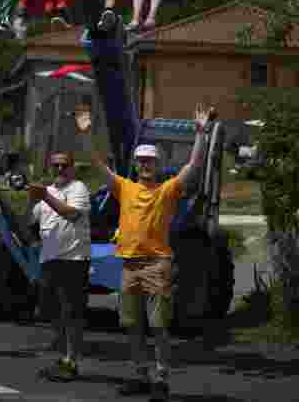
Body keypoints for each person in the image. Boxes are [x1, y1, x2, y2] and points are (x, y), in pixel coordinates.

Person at [80, 104, 214, 402]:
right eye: (141, 161)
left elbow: (193, 166)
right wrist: (87, 134)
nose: (144, 165)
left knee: (158, 325)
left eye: (149, 161)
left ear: (158, 164)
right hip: (129, 265)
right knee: (131, 325)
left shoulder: (167, 191)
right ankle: (140, 375)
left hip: (156, 264)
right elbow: (96, 163)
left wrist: (201, 134)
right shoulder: (124, 187)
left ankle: (162, 378)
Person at [27, 152, 91, 382]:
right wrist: (32, 199)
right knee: (51, 311)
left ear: (72, 168)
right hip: (49, 259)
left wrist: (44, 195)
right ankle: (63, 357)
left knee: (71, 311)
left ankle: (71, 360)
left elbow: (72, 214)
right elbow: (31, 222)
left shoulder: (78, 188)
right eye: (56, 166)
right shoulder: (47, 191)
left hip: (73, 260)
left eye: (65, 165)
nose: (60, 169)